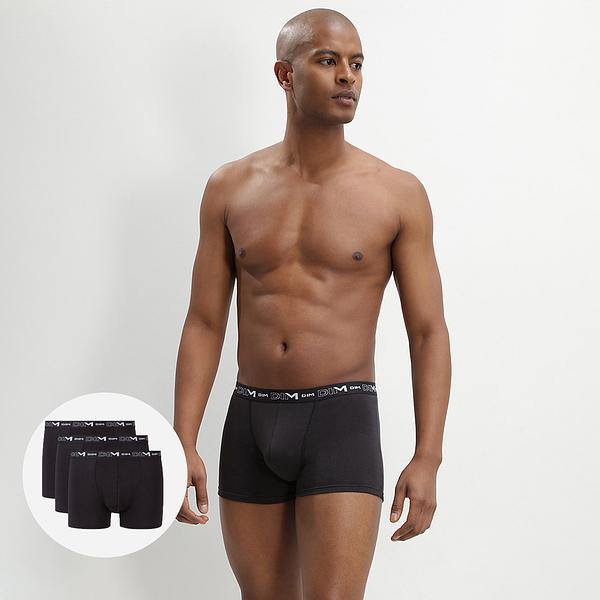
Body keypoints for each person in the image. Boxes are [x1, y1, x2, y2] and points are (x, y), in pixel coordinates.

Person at [173, 7, 451, 599]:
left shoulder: (397, 194)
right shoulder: (230, 187)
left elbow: (428, 332)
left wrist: (428, 456)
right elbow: (204, 322)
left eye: (356, 64)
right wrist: (183, 439)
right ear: (285, 74)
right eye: (328, 61)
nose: (347, 76)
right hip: (250, 418)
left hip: (340, 420)